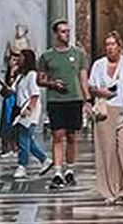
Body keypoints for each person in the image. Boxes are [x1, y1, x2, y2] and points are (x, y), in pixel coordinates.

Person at [88, 31, 123, 204]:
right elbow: (91, 87)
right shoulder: (99, 65)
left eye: (113, 44)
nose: (110, 48)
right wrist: (102, 92)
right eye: (107, 44)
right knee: (107, 152)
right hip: (105, 111)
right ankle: (110, 190)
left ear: (119, 46)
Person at [38, 20, 89, 191]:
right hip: (55, 100)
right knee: (58, 134)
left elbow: (83, 78)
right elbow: (40, 80)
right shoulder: (47, 56)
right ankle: (58, 172)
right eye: (63, 31)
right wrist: (52, 84)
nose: (66, 34)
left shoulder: (79, 54)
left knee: (72, 136)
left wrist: (87, 99)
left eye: (68, 31)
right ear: (56, 34)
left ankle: (70, 169)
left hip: (74, 99)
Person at [12, 49, 52, 180]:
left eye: (21, 57)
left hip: (29, 109)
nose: (19, 60)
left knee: (24, 137)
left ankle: (22, 165)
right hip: (20, 109)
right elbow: (13, 90)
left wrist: (29, 108)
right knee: (27, 139)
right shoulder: (20, 76)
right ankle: (44, 159)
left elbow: (35, 94)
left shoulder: (32, 75)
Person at [0, 51, 20, 155]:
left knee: (11, 122)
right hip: (8, 99)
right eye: (11, 59)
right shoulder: (8, 72)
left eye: (14, 60)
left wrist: (12, 73)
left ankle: (14, 147)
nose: (12, 62)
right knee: (5, 122)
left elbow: (13, 84)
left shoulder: (17, 73)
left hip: (14, 99)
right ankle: (6, 147)